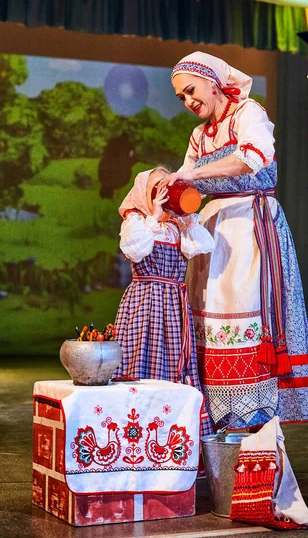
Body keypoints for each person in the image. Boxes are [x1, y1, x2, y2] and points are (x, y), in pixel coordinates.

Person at [162, 51, 308, 431]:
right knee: (209, 314)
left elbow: (252, 158)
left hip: (251, 224)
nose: (188, 101)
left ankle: (256, 427)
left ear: (214, 82)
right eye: (181, 97)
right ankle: (219, 428)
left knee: (247, 307)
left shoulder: (250, 113)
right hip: (214, 230)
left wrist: (193, 175)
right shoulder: (199, 136)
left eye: (191, 90)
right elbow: (182, 179)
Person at [113, 167, 214, 435]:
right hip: (144, 302)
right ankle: (134, 432)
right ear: (144, 192)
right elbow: (135, 250)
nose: (163, 191)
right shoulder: (136, 221)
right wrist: (154, 216)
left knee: (173, 363)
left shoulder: (177, 226)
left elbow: (202, 246)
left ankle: (171, 434)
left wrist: (187, 215)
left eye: (167, 184)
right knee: (138, 359)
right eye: (156, 186)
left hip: (173, 304)